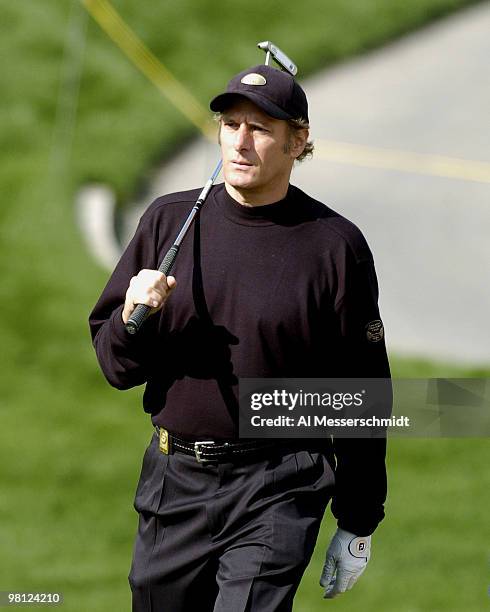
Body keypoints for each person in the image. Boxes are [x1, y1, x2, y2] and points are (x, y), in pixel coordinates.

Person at [89, 63, 391, 611]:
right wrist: (133, 315)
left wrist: (359, 519)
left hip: (277, 484)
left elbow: (362, 389)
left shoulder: (335, 247)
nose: (241, 142)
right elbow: (116, 368)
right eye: (231, 125)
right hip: (172, 482)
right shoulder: (167, 221)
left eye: (261, 129)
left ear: (298, 141)